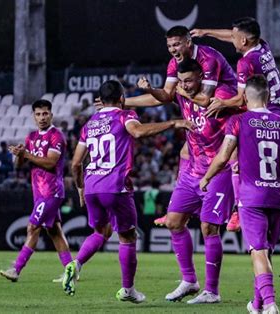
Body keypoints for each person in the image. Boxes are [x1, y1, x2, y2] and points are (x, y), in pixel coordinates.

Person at [190, 17, 280, 251]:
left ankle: (268, 216)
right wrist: (207, 31)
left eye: (235, 37)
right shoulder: (263, 47)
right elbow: (235, 34)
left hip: (267, 121)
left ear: (244, 40)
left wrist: (221, 104)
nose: (232, 39)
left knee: (239, 165)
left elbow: (241, 99)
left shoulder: (245, 64)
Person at [200, 76, 280, 314]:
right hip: (277, 197)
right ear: (268, 97)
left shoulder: (238, 121)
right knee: (266, 253)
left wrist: (206, 178)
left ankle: (270, 304)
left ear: (246, 97)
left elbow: (222, 157)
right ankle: (257, 304)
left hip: (251, 198)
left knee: (257, 252)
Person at [65, 80, 193, 299]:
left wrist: (79, 187)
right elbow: (139, 132)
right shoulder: (125, 116)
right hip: (115, 186)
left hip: (91, 187)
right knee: (128, 237)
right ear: (121, 99)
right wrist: (173, 123)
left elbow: (75, 163)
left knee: (101, 232)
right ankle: (128, 290)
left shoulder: (90, 124)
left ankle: (76, 263)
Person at [119, 25, 238, 227]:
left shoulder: (208, 59)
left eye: (176, 44)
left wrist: (179, 91)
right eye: (169, 46)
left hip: (230, 107)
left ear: (188, 42)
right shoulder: (176, 64)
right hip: (205, 109)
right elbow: (166, 95)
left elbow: (203, 99)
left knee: (233, 156)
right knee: (186, 151)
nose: (173, 49)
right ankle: (180, 205)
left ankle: (238, 209)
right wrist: (125, 102)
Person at [148, 59, 235, 304]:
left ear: (201, 77)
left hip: (219, 170)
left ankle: (212, 291)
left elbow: (238, 112)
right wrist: (125, 102)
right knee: (174, 222)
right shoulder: (181, 94)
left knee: (209, 227)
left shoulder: (221, 94)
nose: (185, 85)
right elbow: (159, 97)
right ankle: (188, 280)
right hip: (191, 171)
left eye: (189, 80)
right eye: (181, 81)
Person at [0, 100, 72, 282]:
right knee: (54, 231)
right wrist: (18, 155)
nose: (42, 117)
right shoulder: (31, 137)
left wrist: (27, 154)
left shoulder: (57, 136)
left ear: (51, 115)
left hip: (52, 191)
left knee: (32, 227)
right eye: (38, 114)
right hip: (38, 192)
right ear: (33, 116)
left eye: (45, 113)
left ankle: (16, 269)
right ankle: (71, 271)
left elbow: (51, 162)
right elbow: (20, 165)